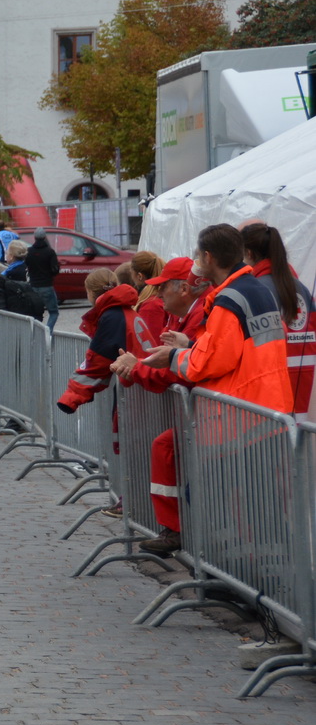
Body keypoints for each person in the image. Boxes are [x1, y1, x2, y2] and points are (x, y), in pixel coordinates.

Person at [131, 225, 292, 556]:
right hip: (269, 407)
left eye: (196, 255)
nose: (194, 262)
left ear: (208, 257)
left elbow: (208, 364)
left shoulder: (229, 300)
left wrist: (173, 357)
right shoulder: (257, 290)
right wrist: (191, 344)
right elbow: (239, 350)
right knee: (263, 503)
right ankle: (262, 570)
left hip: (240, 415)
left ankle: (249, 574)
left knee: (242, 505)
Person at [242, 221, 316, 416]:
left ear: (249, 254)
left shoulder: (257, 289)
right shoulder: (301, 287)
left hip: (274, 382)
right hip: (305, 378)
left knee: (276, 442)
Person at [55, 270, 140, 413]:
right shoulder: (127, 312)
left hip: (136, 391)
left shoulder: (112, 317)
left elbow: (96, 364)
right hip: (141, 382)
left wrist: (70, 398)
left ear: (90, 293)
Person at [25, 228, 62, 325]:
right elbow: (55, 270)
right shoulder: (50, 252)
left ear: (34, 237)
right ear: (45, 237)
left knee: (34, 313)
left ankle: (36, 333)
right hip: (46, 285)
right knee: (53, 312)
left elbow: (26, 266)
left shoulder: (29, 252)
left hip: (33, 286)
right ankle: (48, 333)